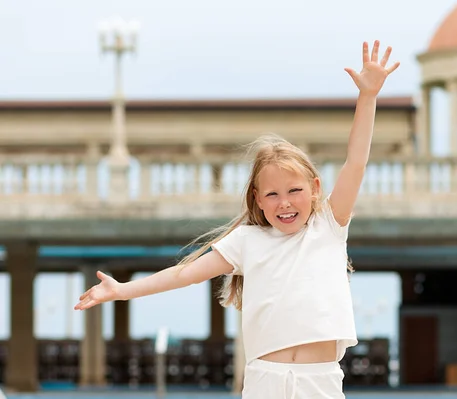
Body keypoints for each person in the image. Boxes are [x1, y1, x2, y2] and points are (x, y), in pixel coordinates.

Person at [75, 40, 400, 398]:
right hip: (265, 380)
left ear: (314, 189)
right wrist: (122, 290)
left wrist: (368, 97)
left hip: (319, 381)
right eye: (272, 195)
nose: (285, 203)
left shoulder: (329, 226)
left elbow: (356, 162)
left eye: (294, 191)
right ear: (258, 200)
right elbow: (184, 274)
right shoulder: (247, 241)